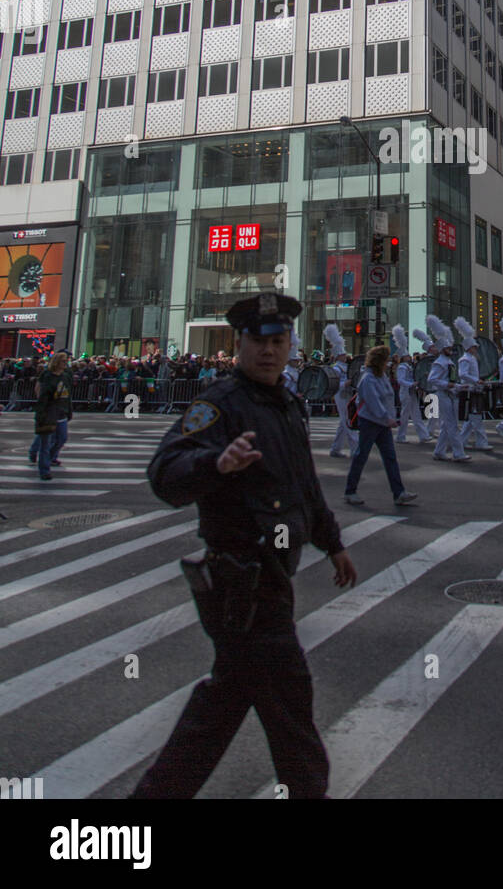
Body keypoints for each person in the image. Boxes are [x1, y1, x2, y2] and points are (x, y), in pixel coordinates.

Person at [128, 292, 357, 800]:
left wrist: (332, 543)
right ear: (241, 344)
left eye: (278, 341)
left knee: (221, 706)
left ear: (291, 344)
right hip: (242, 581)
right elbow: (164, 475)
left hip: (272, 578)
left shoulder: (287, 404)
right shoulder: (220, 403)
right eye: (259, 341)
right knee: (290, 706)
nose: (269, 351)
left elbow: (304, 486)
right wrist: (215, 464)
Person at [344, 345, 419, 505]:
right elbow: (373, 402)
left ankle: (399, 492)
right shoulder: (368, 379)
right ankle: (350, 491)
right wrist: (387, 418)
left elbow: (385, 399)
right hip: (370, 422)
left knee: (389, 457)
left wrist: (388, 418)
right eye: (386, 360)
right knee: (361, 455)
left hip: (381, 423)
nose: (388, 363)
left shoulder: (380, 376)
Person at [427, 315, 470, 462]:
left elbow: (450, 380)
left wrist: (458, 386)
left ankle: (439, 452)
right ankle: (458, 453)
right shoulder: (439, 362)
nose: (450, 349)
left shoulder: (449, 361)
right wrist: (449, 385)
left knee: (447, 425)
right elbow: (432, 379)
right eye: (447, 348)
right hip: (443, 395)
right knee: (452, 425)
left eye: (450, 347)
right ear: (442, 349)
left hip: (450, 394)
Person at [30, 351, 73, 478]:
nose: (66, 363)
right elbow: (43, 394)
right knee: (45, 441)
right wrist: (40, 412)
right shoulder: (48, 376)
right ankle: (44, 469)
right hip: (49, 411)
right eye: (63, 361)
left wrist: (69, 409)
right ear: (57, 362)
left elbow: (68, 395)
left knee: (61, 438)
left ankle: (49, 457)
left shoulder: (66, 376)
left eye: (66, 361)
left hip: (61, 411)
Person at [455, 316, 491, 452]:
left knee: (471, 419)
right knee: (476, 418)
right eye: (474, 347)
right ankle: (481, 442)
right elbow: (462, 374)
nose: (476, 348)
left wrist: (478, 381)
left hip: (474, 389)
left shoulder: (472, 359)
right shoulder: (465, 359)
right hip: (468, 390)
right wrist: (476, 381)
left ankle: (462, 441)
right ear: (469, 348)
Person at [393, 324, 431, 443]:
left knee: (416, 414)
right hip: (406, 392)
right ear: (403, 358)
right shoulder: (402, 367)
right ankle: (401, 436)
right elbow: (400, 380)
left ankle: (423, 435)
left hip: (411, 392)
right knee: (406, 415)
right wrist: (412, 384)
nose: (409, 357)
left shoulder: (409, 366)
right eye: (407, 356)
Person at [325, 323, 356, 458]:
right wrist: (346, 383)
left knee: (344, 423)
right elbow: (335, 384)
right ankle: (356, 449)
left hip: (347, 394)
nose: (345, 356)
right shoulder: (336, 368)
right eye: (343, 355)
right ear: (338, 356)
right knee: (348, 421)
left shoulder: (345, 366)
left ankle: (335, 449)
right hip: (341, 395)